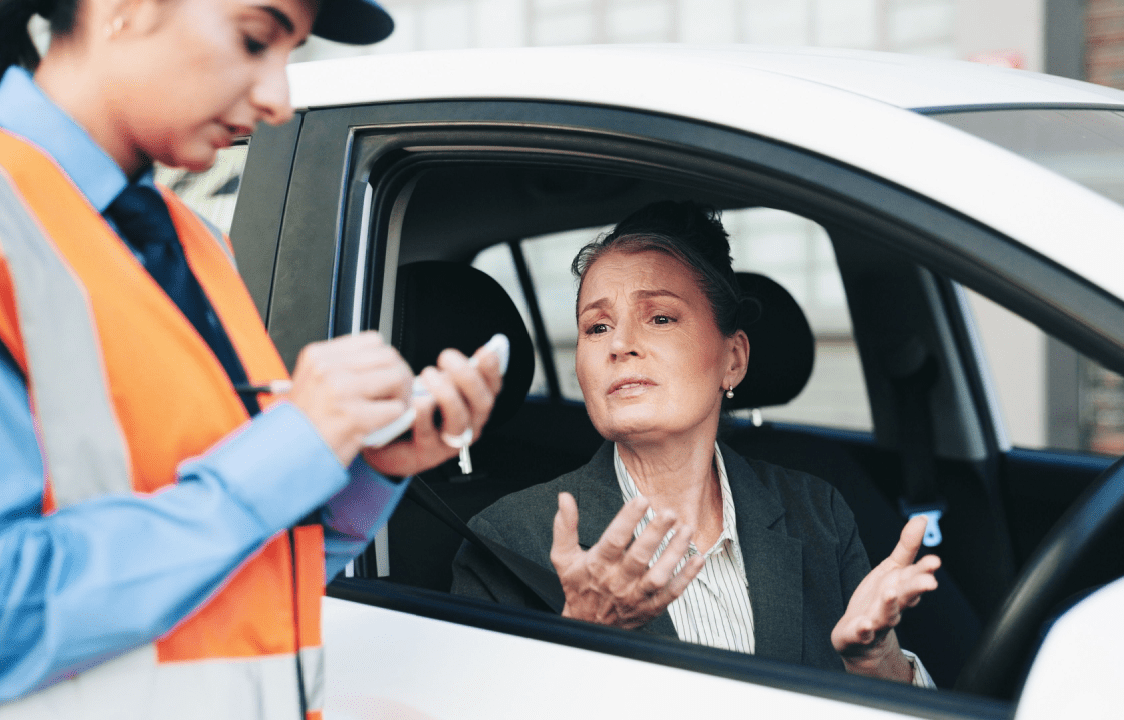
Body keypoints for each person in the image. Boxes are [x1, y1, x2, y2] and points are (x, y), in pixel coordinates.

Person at [0, 0, 502, 715]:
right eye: (254, 38)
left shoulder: (196, 245)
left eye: (289, 55)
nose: (276, 99)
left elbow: (232, 572)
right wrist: (294, 443)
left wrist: (358, 471)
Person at [452, 201, 940, 686]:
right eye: (596, 327)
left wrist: (878, 663)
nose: (619, 344)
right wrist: (585, 634)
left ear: (733, 359)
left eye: (660, 318)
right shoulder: (505, 542)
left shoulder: (817, 513)